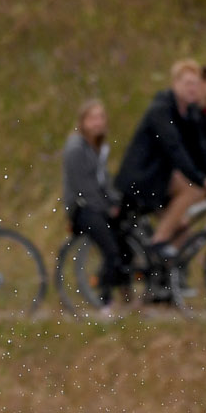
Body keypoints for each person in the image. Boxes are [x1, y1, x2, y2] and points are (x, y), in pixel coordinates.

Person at [116, 60, 206, 255]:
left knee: (184, 228)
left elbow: (200, 150)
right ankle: (158, 242)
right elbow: (175, 150)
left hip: (160, 178)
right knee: (192, 190)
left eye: (195, 84)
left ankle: (170, 275)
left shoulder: (188, 112)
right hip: (143, 178)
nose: (192, 88)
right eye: (187, 83)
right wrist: (202, 179)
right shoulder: (161, 110)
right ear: (175, 84)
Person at [63, 99, 125, 305]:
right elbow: (84, 187)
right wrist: (107, 208)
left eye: (101, 117)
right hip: (83, 209)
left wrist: (115, 201)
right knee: (111, 250)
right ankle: (103, 298)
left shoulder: (97, 146)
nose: (98, 123)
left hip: (97, 205)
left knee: (124, 236)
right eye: (92, 118)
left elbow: (103, 180)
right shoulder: (76, 149)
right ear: (83, 122)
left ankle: (125, 288)